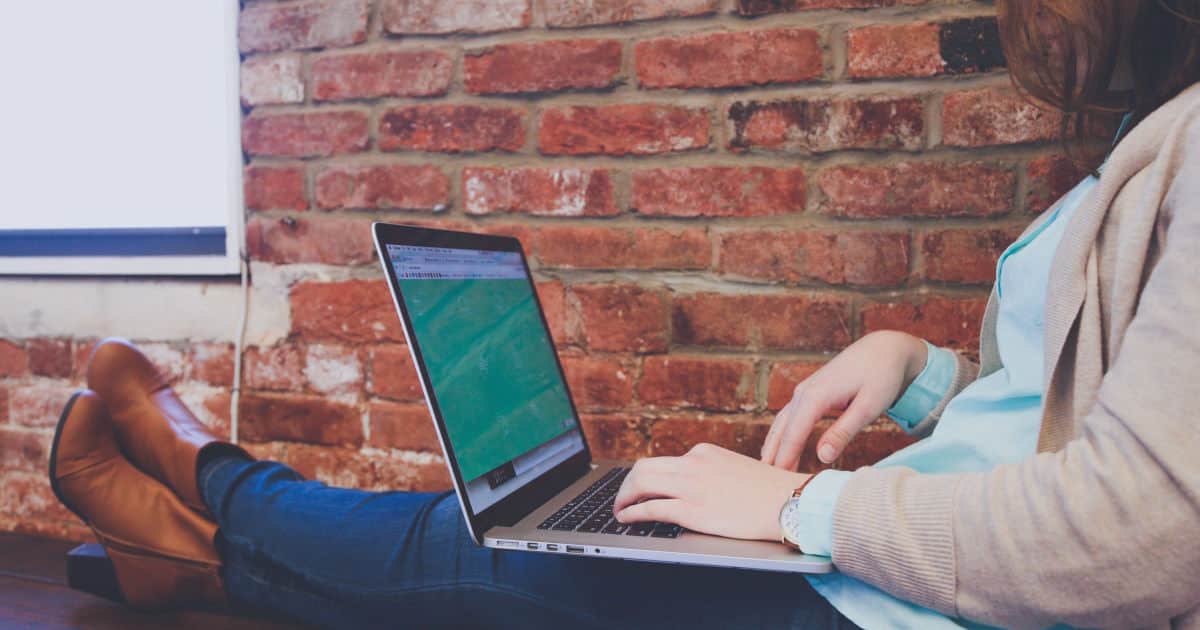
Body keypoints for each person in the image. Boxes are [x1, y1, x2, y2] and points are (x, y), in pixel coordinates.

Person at [47, 1, 1200, 628]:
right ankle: (192, 557)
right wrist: (927, 372)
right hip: (899, 565)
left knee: (471, 551)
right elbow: (1074, 407)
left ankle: (208, 483)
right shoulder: (1164, 127)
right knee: (514, 529)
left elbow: (1137, 539)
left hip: (896, 594)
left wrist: (804, 504)